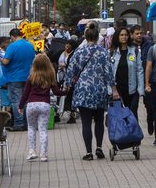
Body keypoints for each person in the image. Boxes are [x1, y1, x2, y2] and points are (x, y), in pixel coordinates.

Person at [68, 23, 116, 161]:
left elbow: (71, 70)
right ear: (97, 38)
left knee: (86, 122)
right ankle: (99, 147)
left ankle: (88, 152)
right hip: (99, 89)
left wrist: (66, 85)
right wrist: (113, 88)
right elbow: (108, 72)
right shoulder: (103, 52)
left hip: (83, 89)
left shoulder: (78, 52)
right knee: (99, 120)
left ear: (85, 36)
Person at [0, 27, 37, 131]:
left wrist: (1, 59)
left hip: (14, 78)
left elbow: (6, 62)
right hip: (28, 77)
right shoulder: (30, 45)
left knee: (16, 101)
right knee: (25, 100)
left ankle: (19, 124)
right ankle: (26, 123)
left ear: (12, 36)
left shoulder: (12, 46)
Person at [21, 54, 57, 162]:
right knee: (43, 130)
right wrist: (66, 91)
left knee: (31, 128)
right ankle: (44, 154)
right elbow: (56, 92)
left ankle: (32, 151)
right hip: (45, 105)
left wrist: (20, 105)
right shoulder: (50, 76)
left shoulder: (31, 77)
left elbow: (25, 94)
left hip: (31, 105)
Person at [111, 23, 145, 115]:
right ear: (117, 36)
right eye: (121, 35)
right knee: (120, 117)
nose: (124, 37)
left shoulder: (135, 51)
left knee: (132, 116)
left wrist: (140, 90)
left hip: (132, 90)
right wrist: (111, 90)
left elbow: (139, 70)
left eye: (126, 35)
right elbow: (109, 73)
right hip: (117, 91)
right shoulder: (112, 52)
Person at [55, 38, 78, 122]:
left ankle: (72, 116)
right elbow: (53, 59)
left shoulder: (75, 54)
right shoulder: (61, 52)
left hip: (70, 78)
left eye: (69, 44)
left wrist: (65, 66)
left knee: (69, 97)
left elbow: (75, 66)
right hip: (60, 77)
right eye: (66, 44)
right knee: (58, 96)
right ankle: (57, 114)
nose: (67, 46)